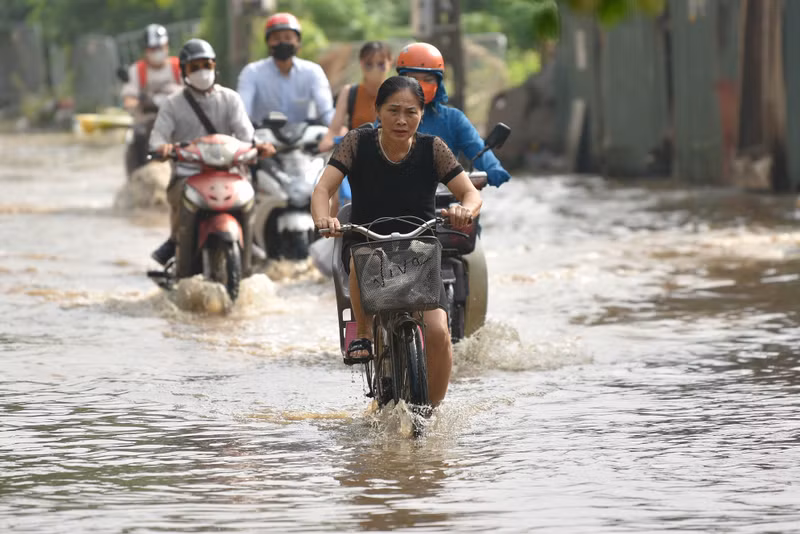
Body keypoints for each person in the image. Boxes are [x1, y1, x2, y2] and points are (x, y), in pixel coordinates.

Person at [311, 76, 482, 406]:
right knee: (361, 259)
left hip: (420, 249)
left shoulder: (433, 148)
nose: (401, 120)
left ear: (421, 114)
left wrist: (465, 209)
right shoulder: (356, 142)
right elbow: (323, 189)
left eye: (410, 112)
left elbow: (470, 193)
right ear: (377, 110)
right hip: (366, 242)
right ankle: (363, 333)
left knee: (438, 332)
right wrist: (324, 218)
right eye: (393, 111)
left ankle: (430, 413)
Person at [149, 38, 275, 266]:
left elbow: (247, 135)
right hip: (188, 174)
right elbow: (157, 138)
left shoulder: (230, 98)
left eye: (206, 65)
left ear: (214, 66)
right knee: (182, 201)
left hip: (230, 171)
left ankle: (249, 241)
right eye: (195, 67)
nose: (202, 71)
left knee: (250, 193)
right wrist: (162, 148)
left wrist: (260, 146)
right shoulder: (172, 103)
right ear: (184, 71)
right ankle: (177, 242)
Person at [396, 42, 511, 187]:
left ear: (438, 83)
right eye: (413, 79)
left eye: (428, 80)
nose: (420, 85)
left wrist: (493, 169)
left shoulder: (453, 119)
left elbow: (476, 146)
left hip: (446, 195)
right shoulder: (388, 117)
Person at [237, 12, 335, 126]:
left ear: (298, 41)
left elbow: (326, 111)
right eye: (276, 38)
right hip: (262, 135)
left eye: (288, 38)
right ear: (268, 42)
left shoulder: (313, 72)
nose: (282, 42)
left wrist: (335, 128)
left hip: (305, 135)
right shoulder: (252, 72)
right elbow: (243, 113)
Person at [317, 41, 393, 153]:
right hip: (357, 154)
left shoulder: (397, 93)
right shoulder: (349, 92)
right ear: (361, 63)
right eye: (369, 64)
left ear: (390, 63)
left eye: (381, 64)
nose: (375, 69)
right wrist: (326, 143)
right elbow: (334, 129)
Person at [120, 24, 182, 112]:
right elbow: (128, 102)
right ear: (145, 49)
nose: (156, 51)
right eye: (152, 48)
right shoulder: (137, 70)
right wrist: (148, 102)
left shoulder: (179, 66)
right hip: (148, 119)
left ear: (167, 45)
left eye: (159, 47)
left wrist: (172, 95)